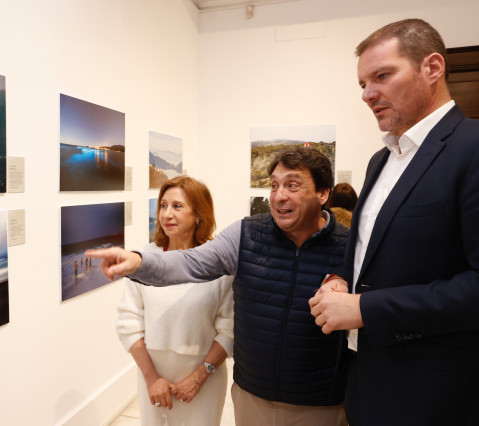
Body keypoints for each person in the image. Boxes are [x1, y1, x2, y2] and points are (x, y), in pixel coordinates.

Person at [88, 147, 350, 426]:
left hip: (320, 401)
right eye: (274, 185)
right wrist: (139, 262)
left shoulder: (351, 245)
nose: (279, 195)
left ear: (323, 193)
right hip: (254, 396)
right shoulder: (246, 235)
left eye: (293, 185)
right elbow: (189, 263)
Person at [308, 19, 479, 426]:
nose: (368, 95)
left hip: (437, 394)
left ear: (432, 68)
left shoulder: (472, 148)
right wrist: (341, 280)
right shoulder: (381, 160)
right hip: (367, 381)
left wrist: (366, 308)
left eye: (382, 76)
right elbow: (375, 254)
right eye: (363, 83)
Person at [116, 176, 234, 425]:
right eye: (163, 205)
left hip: (205, 378)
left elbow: (229, 330)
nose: (167, 214)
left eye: (177, 206)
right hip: (153, 376)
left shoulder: (219, 264)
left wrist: (199, 378)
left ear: (199, 215)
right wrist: (151, 377)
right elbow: (129, 323)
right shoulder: (144, 259)